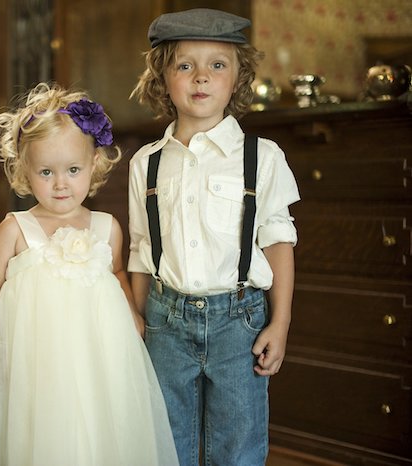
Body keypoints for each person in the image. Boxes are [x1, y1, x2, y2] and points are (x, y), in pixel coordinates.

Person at [128, 8, 300, 465]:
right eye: (185, 65)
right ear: (163, 78)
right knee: (166, 441)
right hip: (165, 320)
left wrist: (279, 323)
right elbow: (141, 252)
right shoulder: (145, 162)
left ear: (237, 77)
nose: (201, 77)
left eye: (217, 65)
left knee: (238, 447)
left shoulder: (261, 156)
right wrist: (140, 324)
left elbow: (277, 241)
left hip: (238, 321)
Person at [0, 82, 179, 466]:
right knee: (45, 433)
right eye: (46, 172)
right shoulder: (16, 228)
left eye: (73, 169)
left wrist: (133, 315)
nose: (60, 183)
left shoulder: (106, 227)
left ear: (94, 165)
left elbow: (118, 273)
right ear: (25, 171)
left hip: (97, 357)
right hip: (38, 362)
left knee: (101, 429)